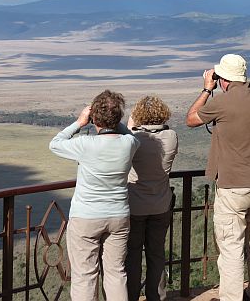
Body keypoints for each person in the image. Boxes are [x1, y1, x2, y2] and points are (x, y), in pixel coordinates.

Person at [185, 54, 250, 301]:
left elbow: (191, 119)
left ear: (222, 79)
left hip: (234, 187)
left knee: (232, 248)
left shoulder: (222, 102)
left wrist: (205, 89)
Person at [49, 90, 140, 301]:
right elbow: (131, 136)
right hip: (118, 216)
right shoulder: (129, 144)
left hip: (86, 217)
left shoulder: (85, 144)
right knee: (116, 273)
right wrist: (116, 121)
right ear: (118, 118)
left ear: (94, 118)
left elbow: (55, 143)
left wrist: (79, 123)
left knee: (84, 276)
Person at [125, 95, 178, 301]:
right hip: (161, 204)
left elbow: (125, 147)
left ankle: (131, 296)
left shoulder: (133, 139)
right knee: (156, 254)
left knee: (133, 255)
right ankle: (157, 297)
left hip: (135, 205)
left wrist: (131, 126)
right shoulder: (171, 136)